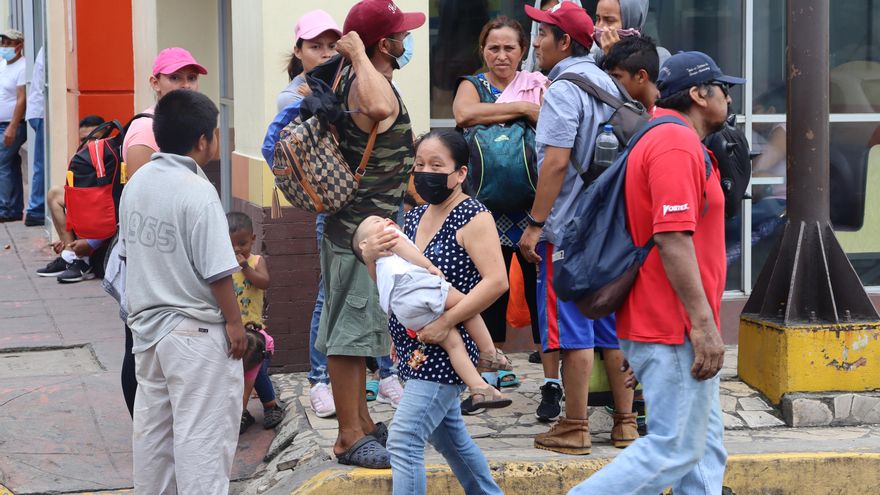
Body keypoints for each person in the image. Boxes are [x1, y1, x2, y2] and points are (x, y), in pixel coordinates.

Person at [568, 50, 739, 495]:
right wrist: (702, 325)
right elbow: (671, 238)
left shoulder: (667, 136)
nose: (728, 98)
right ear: (699, 94)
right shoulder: (674, 143)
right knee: (675, 448)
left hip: (669, 326)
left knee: (704, 451)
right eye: (723, 89)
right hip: (672, 324)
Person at [519, 2, 636, 454]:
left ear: (565, 41)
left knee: (572, 330)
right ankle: (625, 423)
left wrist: (535, 224)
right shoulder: (610, 82)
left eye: (543, 35)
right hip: (611, 230)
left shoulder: (565, 89)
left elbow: (555, 163)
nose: (536, 43)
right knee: (609, 326)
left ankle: (575, 425)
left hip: (567, 230)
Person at [312, 0, 425, 469]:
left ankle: (361, 421)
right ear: (383, 44)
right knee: (349, 332)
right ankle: (348, 437)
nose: (406, 41)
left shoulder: (359, 77)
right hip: (357, 232)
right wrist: (357, 53)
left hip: (363, 226)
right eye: (400, 35)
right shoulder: (364, 80)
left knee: (360, 333)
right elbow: (378, 108)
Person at [361, 129, 506, 495]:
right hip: (416, 345)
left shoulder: (474, 216)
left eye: (437, 166)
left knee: (404, 440)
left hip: (448, 350)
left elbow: (496, 282)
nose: (425, 172)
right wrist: (370, 257)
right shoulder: (412, 218)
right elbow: (393, 281)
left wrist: (446, 322)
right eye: (420, 164)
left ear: (460, 173)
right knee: (449, 439)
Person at [119, 89, 246, 494]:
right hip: (196, 335)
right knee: (202, 442)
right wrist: (235, 323)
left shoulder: (137, 183)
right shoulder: (198, 191)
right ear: (203, 140)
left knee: (153, 440)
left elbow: (130, 254)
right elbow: (218, 272)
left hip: (147, 333)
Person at [452, 15, 546, 407]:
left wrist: (527, 105)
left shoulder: (538, 83)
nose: (502, 55)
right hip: (486, 208)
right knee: (489, 288)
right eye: (494, 48)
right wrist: (522, 108)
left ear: (523, 51)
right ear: (483, 50)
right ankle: (489, 369)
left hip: (531, 208)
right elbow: (464, 115)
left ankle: (552, 377)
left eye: (510, 48)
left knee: (539, 289)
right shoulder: (472, 85)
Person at [354, 215, 512, 409]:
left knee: (453, 344)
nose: (385, 219)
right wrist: (428, 266)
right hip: (416, 286)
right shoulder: (388, 236)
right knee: (468, 305)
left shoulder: (378, 262)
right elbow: (404, 248)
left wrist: (369, 259)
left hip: (403, 310)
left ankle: (479, 388)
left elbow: (379, 283)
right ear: (364, 243)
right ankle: (489, 354)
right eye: (377, 222)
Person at [226, 211, 286, 433]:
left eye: (242, 244)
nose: (237, 250)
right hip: (232, 331)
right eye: (231, 244)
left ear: (252, 239)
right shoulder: (223, 264)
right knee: (235, 375)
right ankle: (240, 413)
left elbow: (264, 282)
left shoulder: (256, 261)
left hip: (255, 331)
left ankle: (270, 406)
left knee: (257, 370)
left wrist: (245, 268)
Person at [36, 115, 107, 280]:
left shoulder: (113, 158)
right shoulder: (82, 160)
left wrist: (91, 243)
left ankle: (83, 261)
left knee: (84, 200)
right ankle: (70, 255)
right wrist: (69, 238)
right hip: (88, 219)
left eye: (95, 138)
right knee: (55, 193)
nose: (89, 144)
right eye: (84, 139)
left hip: (105, 221)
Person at [122, 47, 206, 177]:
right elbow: (142, 188)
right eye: (175, 77)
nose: (186, 85)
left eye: (192, 77)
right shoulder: (146, 130)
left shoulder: (180, 122)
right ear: (155, 83)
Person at [0, 29, 27, 223]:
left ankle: (5, 208)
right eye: (3, 43)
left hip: (11, 125)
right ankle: (14, 208)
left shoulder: (23, 67)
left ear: (19, 46)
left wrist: (12, 126)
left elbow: (21, 99)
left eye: (8, 43)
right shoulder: (3, 65)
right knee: (10, 164)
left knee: (2, 163)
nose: (4, 47)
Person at [592, 0, 670, 66]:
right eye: (598, 19)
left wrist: (615, 57)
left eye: (609, 20)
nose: (600, 26)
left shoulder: (658, 57)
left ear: (632, 21)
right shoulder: (599, 55)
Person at [602, 35, 659, 112]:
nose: (610, 83)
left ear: (641, 76)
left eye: (616, 76)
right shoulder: (632, 112)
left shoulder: (662, 118)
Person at [24, 46, 45, 226]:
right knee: (42, 164)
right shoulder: (48, 49)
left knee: (41, 163)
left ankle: (36, 208)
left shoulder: (45, 48)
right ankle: (36, 209)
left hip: (38, 111)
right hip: (41, 112)